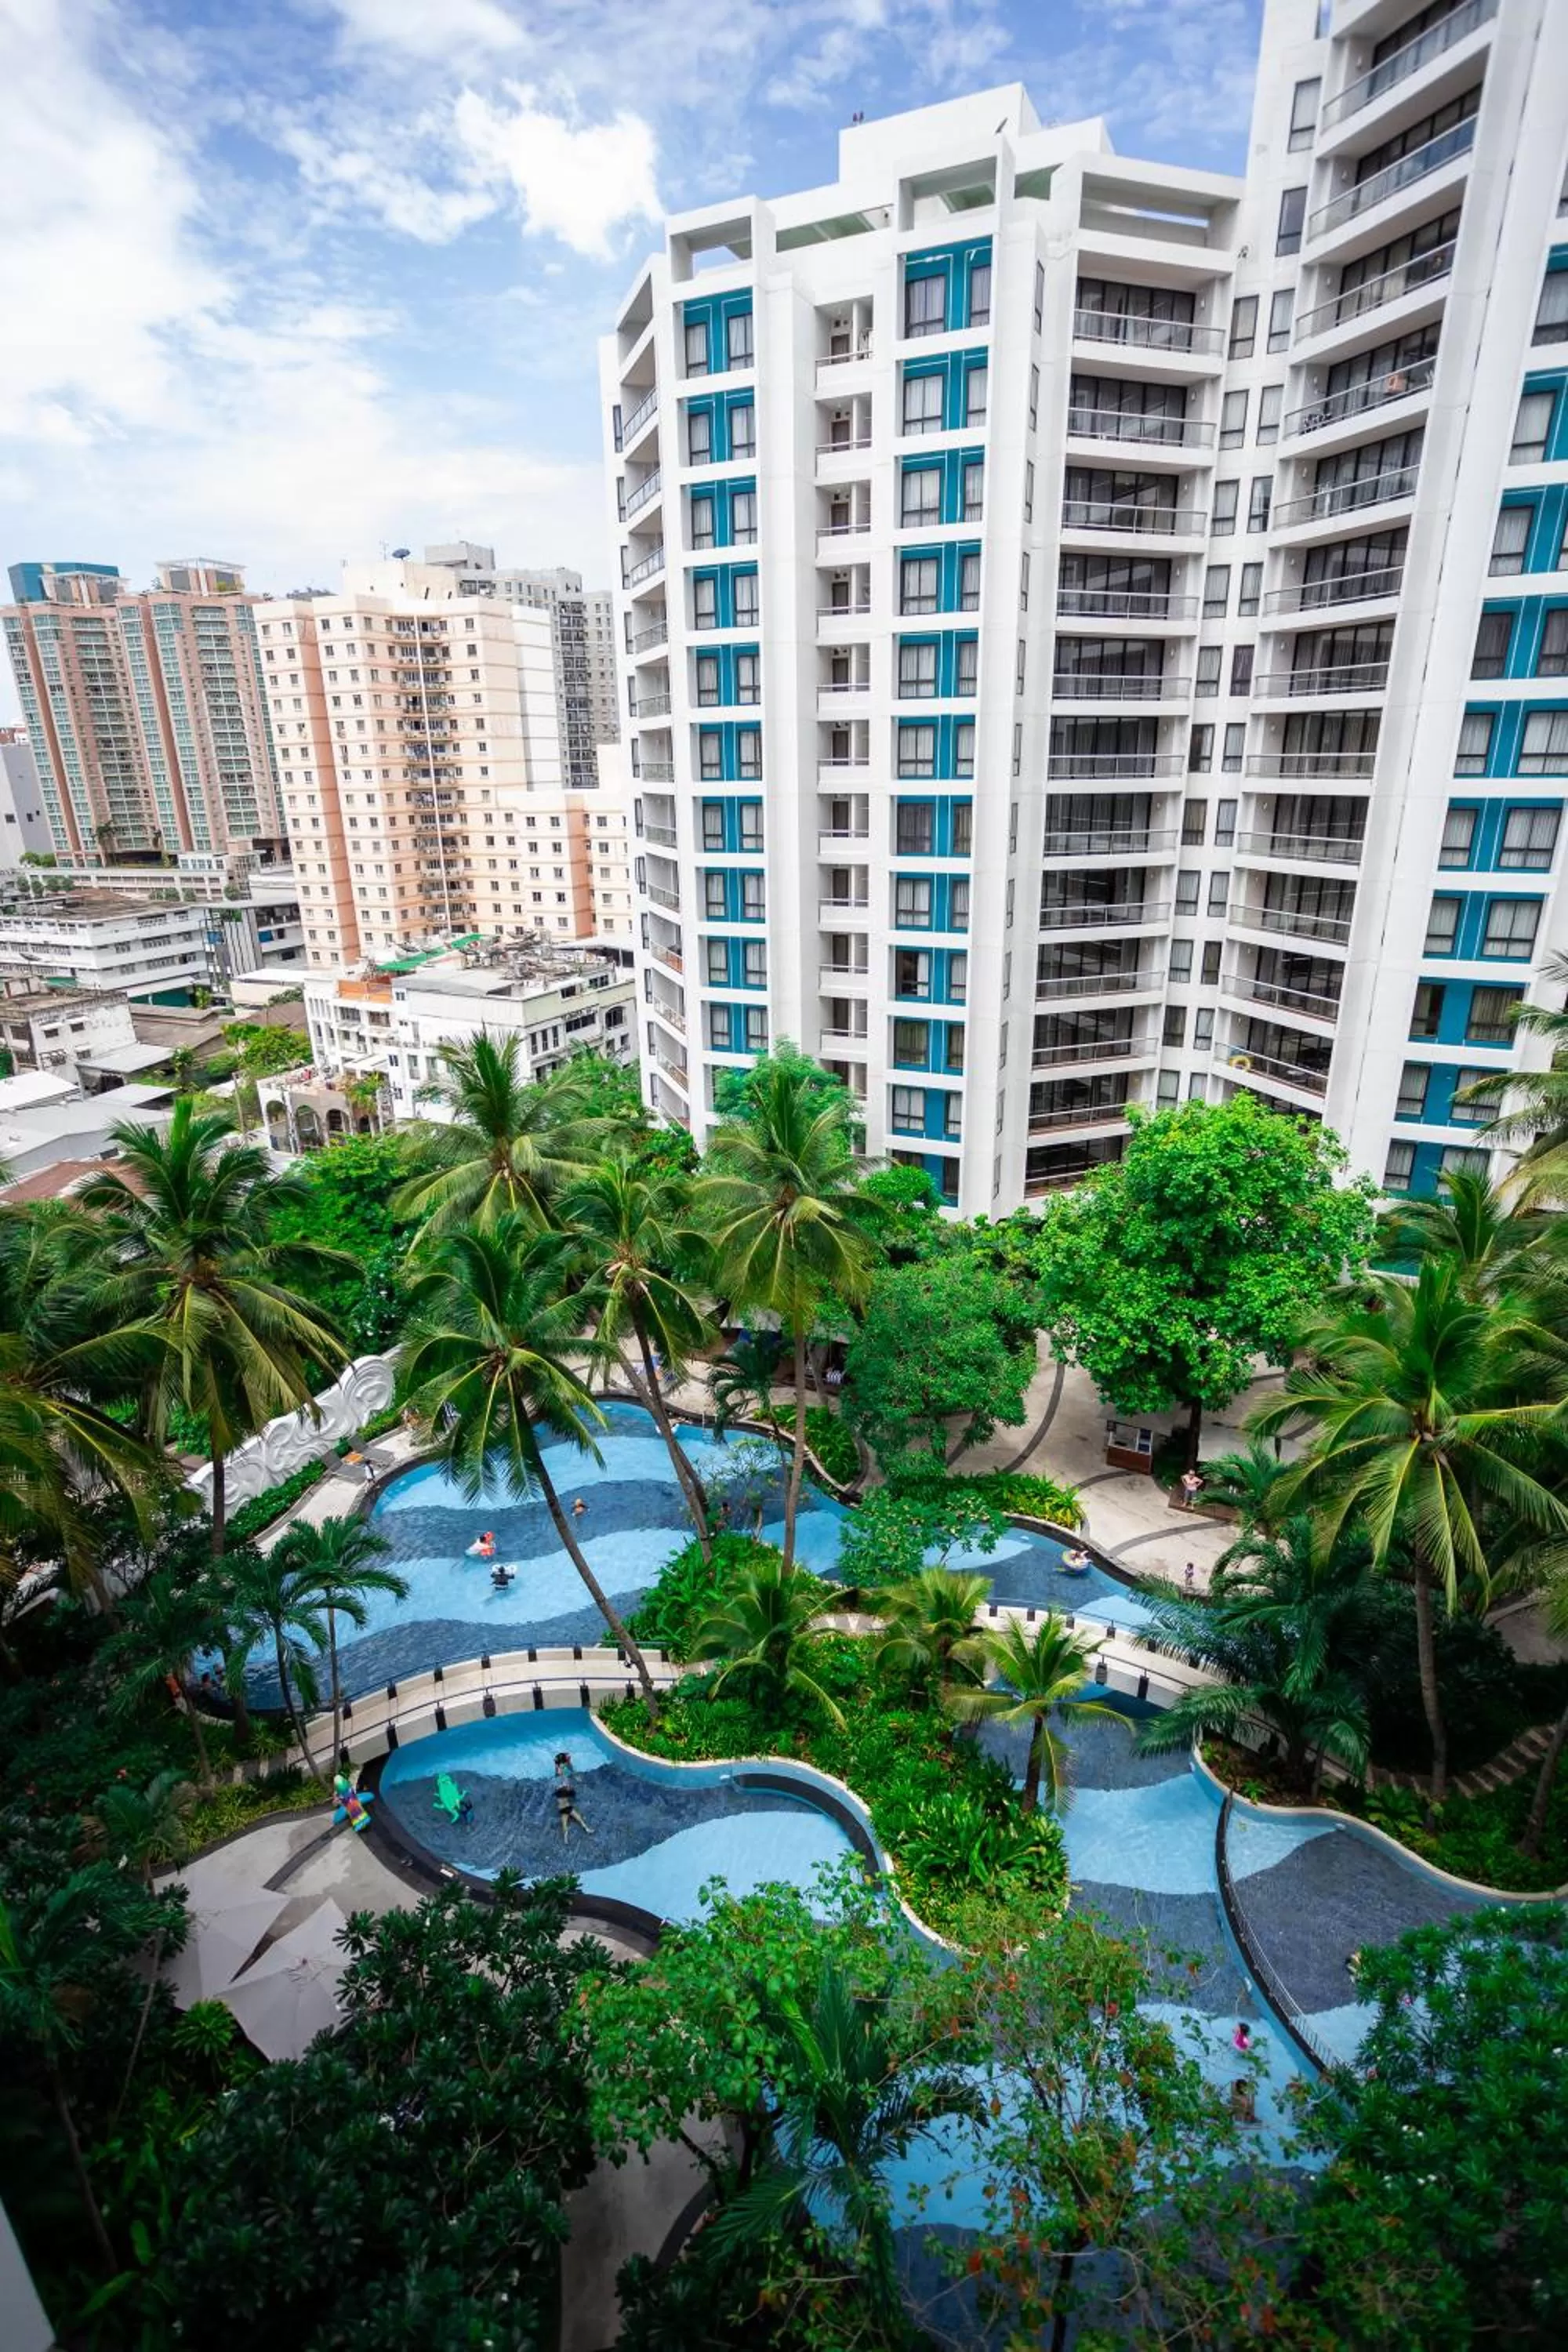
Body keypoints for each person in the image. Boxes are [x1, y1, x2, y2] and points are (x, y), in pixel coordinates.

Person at [554, 1751, 593, 1840]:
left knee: (566, 1823)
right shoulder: (561, 1770)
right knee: (579, 1818)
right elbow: (566, 1774)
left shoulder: (560, 1769)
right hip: (567, 1807)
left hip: (563, 1808)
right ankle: (586, 1829)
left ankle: (566, 1838)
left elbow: (562, 1773)